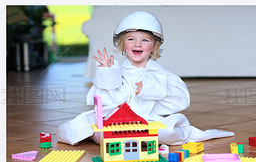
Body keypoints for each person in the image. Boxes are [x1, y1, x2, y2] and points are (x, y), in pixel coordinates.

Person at [57, 11, 234, 146]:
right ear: (123, 45)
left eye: (145, 40)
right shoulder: (116, 70)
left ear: (154, 47)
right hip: (117, 121)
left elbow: (181, 99)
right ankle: (131, 138)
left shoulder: (161, 74)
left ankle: (136, 138)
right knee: (90, 129)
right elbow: (105, 102)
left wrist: (149, 87)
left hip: (149, 121)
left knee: (167, 131)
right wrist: (108, 74)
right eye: (131, 39)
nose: (137, 44)